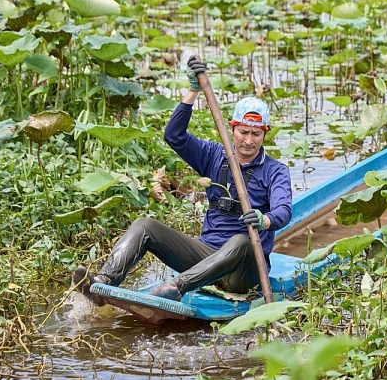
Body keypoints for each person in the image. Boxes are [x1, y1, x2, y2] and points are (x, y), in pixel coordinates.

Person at [72, 57, 292, 304]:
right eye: (243, 132)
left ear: (265, 133)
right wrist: (192, 92)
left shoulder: (275, 171)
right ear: (232, 128)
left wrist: (265, 220)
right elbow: (174, 136)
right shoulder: (213, 154)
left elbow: (284, 211)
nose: (248, 140)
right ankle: (103, 285)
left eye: (256, 134)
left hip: (243, 270)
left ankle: (177, 286)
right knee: (145, 226)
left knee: (240, 241)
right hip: (205, 258)